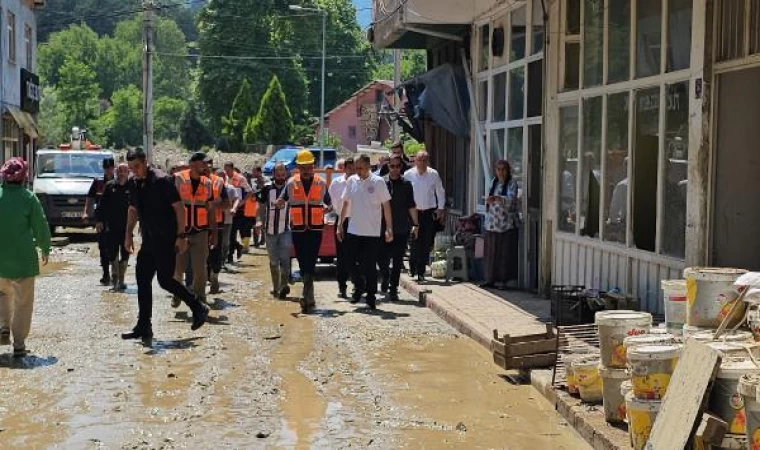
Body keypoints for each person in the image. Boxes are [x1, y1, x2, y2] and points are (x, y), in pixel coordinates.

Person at [123, 148, 209, 346]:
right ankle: (144, 325)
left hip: (167, 238)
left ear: (145, 162)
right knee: (142, 279)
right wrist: (128, 234)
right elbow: (133, 209)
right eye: (131, 167)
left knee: (164, 280)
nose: (134, 170)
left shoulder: (162, 180)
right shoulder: (134, 183)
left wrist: (181, 235)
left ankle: (197, 306)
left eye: (136, 166)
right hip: (149, 239)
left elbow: (179, 208)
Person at [0, 158, 51, 357]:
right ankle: (19, 344)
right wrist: (45, 248)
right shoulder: (29, 198)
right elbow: (41, 225)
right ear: (24, 178)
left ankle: (4, 326)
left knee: (2, 292)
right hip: (22, 261)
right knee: (23, 302)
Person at [276, 150, 331, 313]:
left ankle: (306, 295)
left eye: (309, 167)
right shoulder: (291, 183)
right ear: (298, 167)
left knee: (311, 261)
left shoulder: (321, 183)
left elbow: (329, 203)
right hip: (298, 229)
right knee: (302, 261)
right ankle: (309, 296)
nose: (307, 170)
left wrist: (328, 208)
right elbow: (282, 199)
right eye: (303, 167)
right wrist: (279, 202)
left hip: (315, 229)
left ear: (313, 166)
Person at [336, 154, 393, 310]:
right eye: (356, 168)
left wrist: (389, 228)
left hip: (372, 232)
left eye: (360, 168)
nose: (357, 171)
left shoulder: (378, 182)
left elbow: (386, 206)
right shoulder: (351, 181)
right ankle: (359, 284)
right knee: (348, 260)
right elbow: (345, 203)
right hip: (353, 229)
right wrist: (340, 225)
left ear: (368, 166)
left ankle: (371, 297)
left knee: (369, 266)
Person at [172, 152, 217, 307]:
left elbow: (210, 209)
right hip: (181, 232)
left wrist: (213, 232)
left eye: (207, 164)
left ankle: (200, 298)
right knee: (178, 268)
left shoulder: (208, 183)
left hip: (201, 232)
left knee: (200, 269)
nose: (206, 166)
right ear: (193, 164)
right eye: (203, 163)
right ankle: (177, 293)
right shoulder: (178, 178)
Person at [378, 155, 419, 301]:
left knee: (397, 259)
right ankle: (385, 276)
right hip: (382, 227)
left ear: (401, 167)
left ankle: (393, 287)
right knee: (381, 257)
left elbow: (411, 205)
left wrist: (416, 224)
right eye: (392, 166)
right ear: (388, 166)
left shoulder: (407, 184)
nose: (395, 169)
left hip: (401, 227)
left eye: (398, 166)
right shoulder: (381, 182)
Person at [404, 151, 446, 282]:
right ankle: (412, 267)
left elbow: (440, 192)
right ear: (415, 161)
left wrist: (440, 209)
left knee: (426, 242)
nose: (422, 163)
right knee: (414, 241)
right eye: (419, 160)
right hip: (413, 212)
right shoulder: (408, 175)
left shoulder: (433, 174)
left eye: (424, 160)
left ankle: (421, 271)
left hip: (428, 212)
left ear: (427, 161)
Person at [482, 159, 522, 289]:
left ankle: (504, 281)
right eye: (498, 169)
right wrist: (489, 200)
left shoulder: (512, 184)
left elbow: (511, 201)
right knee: (492, 254)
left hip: (506, 224)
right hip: (492, 224)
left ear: (507, 170)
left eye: (503, 169)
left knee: (504, 254)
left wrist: (499, 199)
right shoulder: (493, 182)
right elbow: (489, 201)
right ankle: (490, 279)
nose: (501, 172)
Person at [258, 163, 292, 299]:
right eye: (278, 174)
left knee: (285, 259)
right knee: (273, 261)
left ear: (286, 174)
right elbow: (260, 207)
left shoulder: (289, 188)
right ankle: (275, 287)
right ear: (273, 174)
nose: (280, 177)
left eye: (282, 174)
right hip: (269, 230)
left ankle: (283, 286)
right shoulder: (267, 188)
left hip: (285, 229)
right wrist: (259, 221)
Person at [95, 163, 131, 292]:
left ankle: (122, 280)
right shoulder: (110, 186)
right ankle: (115, 280)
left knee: (126, 254)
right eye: (119, 170)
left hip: (127, 228)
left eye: (124, 171)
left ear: (128, 172)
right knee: (112, 254)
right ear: (116, 172)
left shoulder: (132, 186)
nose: (121, 173)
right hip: (112, 227)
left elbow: (140, 206)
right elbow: (101, 205)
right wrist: (99, 220)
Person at [328, 157, 356, 298]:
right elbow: (335, 203)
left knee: (356, 254)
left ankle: (357, 284)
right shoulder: (336, 183)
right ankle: (342, 286)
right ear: (344, 169)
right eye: (350, 168)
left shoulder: (360, 183)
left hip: (357, 220)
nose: (352, 171)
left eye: (354, 168)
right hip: (342, 221)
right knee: (342, 255)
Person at [86, 157, 115, 285]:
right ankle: (106, 274)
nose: (108, 171)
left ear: (114, 168)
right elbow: (90, 199)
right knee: (103, 248)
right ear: (103, 169)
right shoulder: (98, 183)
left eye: (110, 168)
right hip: (101, 220)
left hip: (116, 220)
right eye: (106, 168)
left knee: (114, 247)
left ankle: (116, 274)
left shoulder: (119, 181)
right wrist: (86, 213)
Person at [206, 158, 228, 295]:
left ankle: (214, 277)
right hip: (197, 224)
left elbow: (227, 204)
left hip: (217, 223)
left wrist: (214, 205)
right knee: (200, 254)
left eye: (208, 166)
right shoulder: (190, 180)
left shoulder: (218, 182)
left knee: (215, 253)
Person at [225, 163, 252, 261]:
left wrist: (242, 203)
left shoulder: (241, 179)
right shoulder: (225, 179)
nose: (227, 172)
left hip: (238, 210)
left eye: (228, 170)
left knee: (232, 232)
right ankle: (236, 247)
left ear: (232, 169)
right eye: (225, 170)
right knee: (228, 233)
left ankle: (230, 255)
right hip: (227, 208)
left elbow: (250, 192)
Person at [219, 170, 241, 271]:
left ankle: (223, 261)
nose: (221, 179)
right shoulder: (214, 188)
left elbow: (237, 199)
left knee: (225, 242)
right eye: (219, 176)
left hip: (227, 219)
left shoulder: (230, 188)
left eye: (223, 177)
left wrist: (234, 208)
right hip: (214, 220)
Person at [250, 166, 268, 248]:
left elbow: (267, 189)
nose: (253, 173)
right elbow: (253, 191)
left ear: (259, 172)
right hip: (255, 203)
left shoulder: (266, 179)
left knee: (263, 222)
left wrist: (261, 184)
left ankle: (264, 239)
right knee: (255, 222)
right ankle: (256, 242)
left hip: (264, 204)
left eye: (254, 171)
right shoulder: (253, 180)